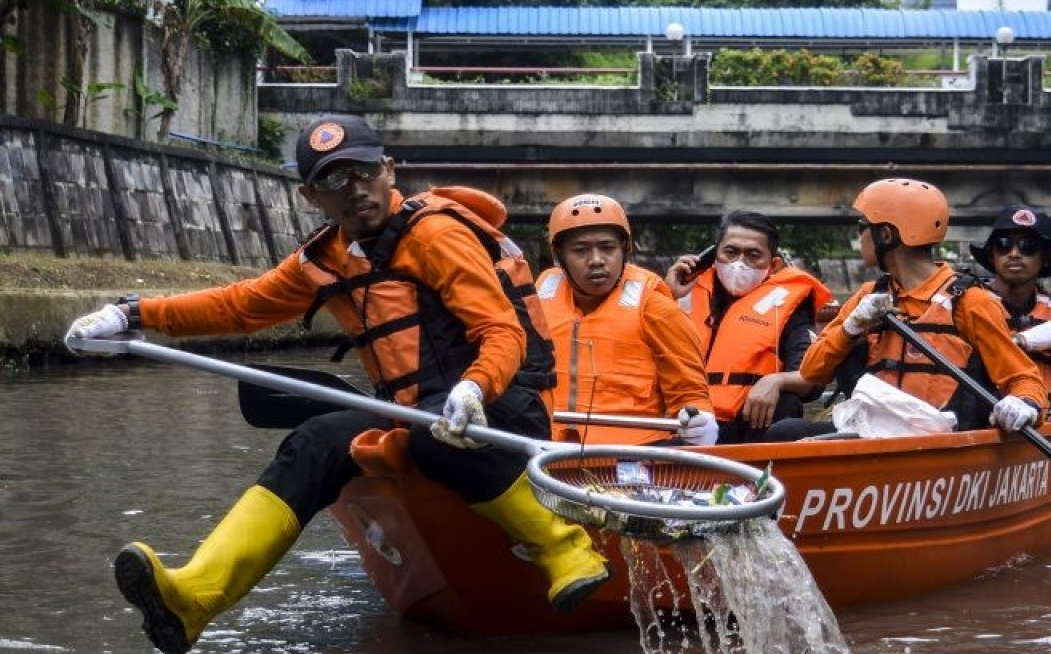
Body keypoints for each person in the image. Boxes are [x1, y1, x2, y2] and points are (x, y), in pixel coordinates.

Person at [62, 115, 610, 654]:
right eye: (332, 180)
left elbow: (500, 332)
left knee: (433, 433)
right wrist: (132, 314)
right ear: (309, 195)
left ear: (389, 171)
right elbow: (241, 305)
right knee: (317, 439)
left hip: (500, 407)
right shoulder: (325, 260)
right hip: (416, 412)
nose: (355, 191)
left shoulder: (437, 234)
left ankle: (566, 549)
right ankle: (196, 597)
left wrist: (475, 387)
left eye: (364, 172)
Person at [767, 178, 1048, 441]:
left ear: (886, 234)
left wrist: (1024, 404)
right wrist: (850, 328)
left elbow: (1023, 378)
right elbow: (811, 371)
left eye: (863, 225)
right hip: (872, 432)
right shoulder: (869, 296)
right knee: (784, 432)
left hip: (940, 438)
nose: (859, 235)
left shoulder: (971, 302)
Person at [536, 193, 717, 446]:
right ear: (559, 255)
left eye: (607, 248)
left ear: (625, 249)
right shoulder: (537, 299)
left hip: (636, 450)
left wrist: (700, 418)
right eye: (580, 250)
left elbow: (690, 391)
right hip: (547, 445)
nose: (596, 260)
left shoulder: (655, 305)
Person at [664, 210, 830, 444]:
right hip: (685, 420)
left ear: (773, 265)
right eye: (730, 252)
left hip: (746, 423)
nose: (739, 263)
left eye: (753, 255)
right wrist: (667, 296)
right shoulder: (680, 293)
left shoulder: (788, 307)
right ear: (714, 255)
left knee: (786, 401)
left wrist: (775, 381)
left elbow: (812, 376)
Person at [969, 205, 1051, 407]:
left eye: (1028, 246)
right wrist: (1020, 341)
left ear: (1045, 258)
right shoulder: (968, 304)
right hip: (984, 418)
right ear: (991, 255)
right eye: (1004, 245)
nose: (1014, 254)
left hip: (1038, 417)